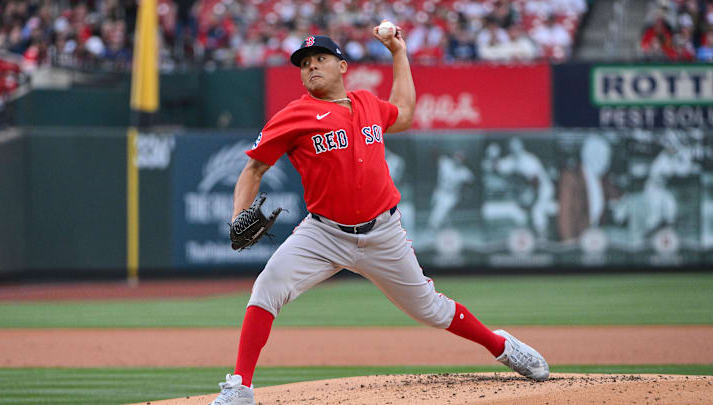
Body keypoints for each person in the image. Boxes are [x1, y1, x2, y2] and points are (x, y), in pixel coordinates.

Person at [209, 26, 549, 405]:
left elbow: (403, 113)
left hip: (383, 232)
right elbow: (253, 169)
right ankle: (240, 387)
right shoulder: (294, 115)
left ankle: (500, 345)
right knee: (267, 287)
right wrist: (239, 214)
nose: (311, 67)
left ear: (342, 66)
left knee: (432, 309)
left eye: (320, 59)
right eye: (304, 64)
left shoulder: (368, 103)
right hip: (324, 234)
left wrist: (399, 54)